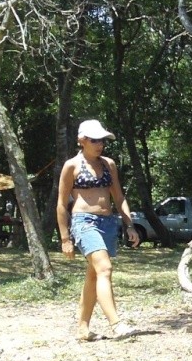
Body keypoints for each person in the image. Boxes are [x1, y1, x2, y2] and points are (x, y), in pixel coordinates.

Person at [57, 119, 140, 342]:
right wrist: (65, 237)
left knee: (94, 275)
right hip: (84, 222)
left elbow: (119, 197)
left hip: (107, 223)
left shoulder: (108, 164)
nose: (99, 144)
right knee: (105, 268)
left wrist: (129, 224)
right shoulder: (71, 166)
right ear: (81, 140)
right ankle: (117, 325)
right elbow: (61, 203)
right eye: (94, 140)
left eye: (102, 140)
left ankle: (83, 328)